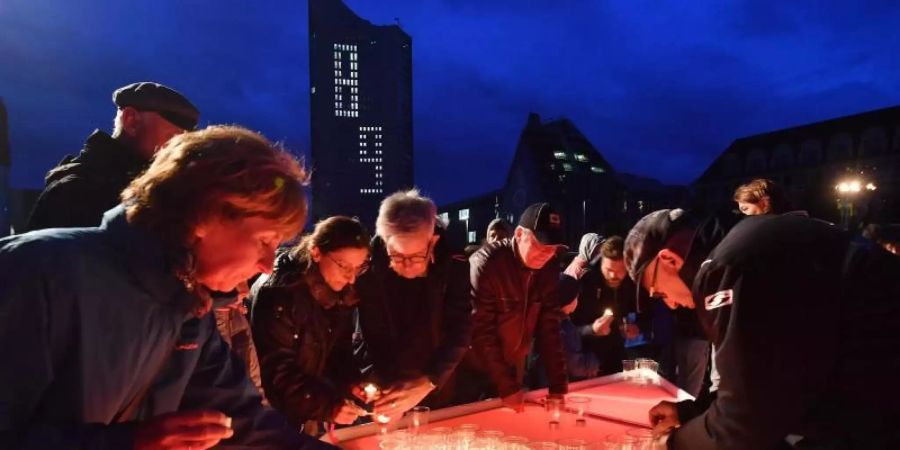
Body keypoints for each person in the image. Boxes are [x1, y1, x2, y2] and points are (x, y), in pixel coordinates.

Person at [0, 125, 333, 449]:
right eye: (265, 241)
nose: (266, 265)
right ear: (206, 215)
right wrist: (129, 443)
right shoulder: (39, 272)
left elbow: (245, 423)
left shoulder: (188, 308)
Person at [626, 209, 900, 449]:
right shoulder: (752, 243)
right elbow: (764, 379)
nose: (672, 305)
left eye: (659, 292)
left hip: (876, 417)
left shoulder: (727, 266)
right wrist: (691, 413)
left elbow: (750, 419)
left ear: (669, 259)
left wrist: (674, 444)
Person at [356, 189, 473, 419]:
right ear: (384, 242)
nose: (407, 266)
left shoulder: (454, 263)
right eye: (397, 256)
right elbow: (367, 334)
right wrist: (380, 388)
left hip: (436, 382)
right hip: (387, 384)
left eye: (417, 256)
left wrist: (431, 379)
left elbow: (461, 328)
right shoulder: (369, 268)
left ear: (433, 241)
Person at [251, 216, 370, 434]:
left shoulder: (340, 293)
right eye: (343, 265)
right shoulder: (280, 293)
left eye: (358, 268)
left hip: (304, 410)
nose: (351, 278)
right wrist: (328, 407)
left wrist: (352, 382)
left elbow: (338, 351)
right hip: (270, 417)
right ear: (316, 253)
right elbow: (277, 372)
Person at [26, 81, 199, 231]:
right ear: (132, 121)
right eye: (173, 138)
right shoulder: (76, 191)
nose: (177, 151)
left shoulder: (152, 189)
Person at [468, 202, 569, 411]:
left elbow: (549, 327)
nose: (545, 253)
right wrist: (506, 386)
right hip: (473, 369)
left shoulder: (548, 268)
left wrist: (558, 386)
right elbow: (480, 330)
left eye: (552, 249)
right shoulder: (487, 264)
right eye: (540, 244)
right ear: (520, 233)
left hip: (512, 366)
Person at [569, 235, 641, 375]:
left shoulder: (629, 282)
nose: (614, 276)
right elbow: (567, 332)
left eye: (620, 271)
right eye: (609, 270)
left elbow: (635, 311)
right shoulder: (585, 282)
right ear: (601, 262)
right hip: (588, 363)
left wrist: (631, 327)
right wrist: (592, 330)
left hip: (616, 356)